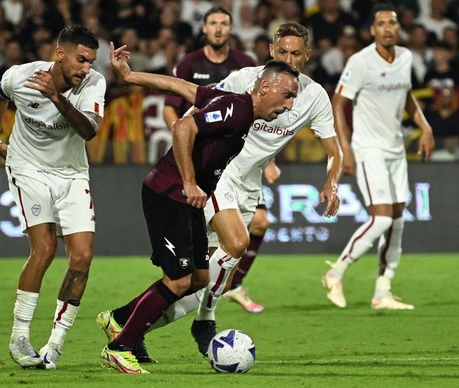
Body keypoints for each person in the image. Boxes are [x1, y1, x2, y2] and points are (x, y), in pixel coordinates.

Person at [98, 21, 343, 358]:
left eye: (296, 53)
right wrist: (187, 169)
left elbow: (334, 150)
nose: (289, 58)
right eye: (282, 51)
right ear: (271, 51)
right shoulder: (246, 81)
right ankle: (204, 321)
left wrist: (331, 181)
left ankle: (126, 321)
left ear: (308, 55)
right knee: (237, 243)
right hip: (219, 177)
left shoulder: (314, 97)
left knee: (205, 278)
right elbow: (197, 105)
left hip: (249, 184)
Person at [0, 25, 106, 369]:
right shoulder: (20, 77)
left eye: (90, 61)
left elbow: (89, 130)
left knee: (82, 257)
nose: (86, 68)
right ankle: (20, 337)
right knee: (44, 249)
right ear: (60, 53)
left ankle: (56, 342)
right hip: (28, 167)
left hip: (71, 173)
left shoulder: (93, 84)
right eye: (81, 60)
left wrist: (57, 96)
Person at [321, 4, 435, 311]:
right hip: (368, 148)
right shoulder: (360, 62)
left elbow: (407, 96)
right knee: (382, 217)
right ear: (372, 30)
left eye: (392, 23)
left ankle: (382, 291)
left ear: (399, 29)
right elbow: (338, 103)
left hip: (396, 149)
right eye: (381, 23)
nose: (387, 28)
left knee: (397, 222)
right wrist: (343, 150)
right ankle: (336, 272)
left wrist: (425, 126)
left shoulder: (407, 58)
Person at [162, 5, 268, 314]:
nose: (219, 28)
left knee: (257, 224)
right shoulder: (189, 63)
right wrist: (183, 141)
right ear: (204, 29)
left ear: (231, 29)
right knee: (212, 245)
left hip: (241, 160)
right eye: (213, 23)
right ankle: (194, 301)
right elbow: (172, 107)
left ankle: (232, 286)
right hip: (205, 160)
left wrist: (268, 159)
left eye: (224, 23)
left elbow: (257, 117)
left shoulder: (246, 65)